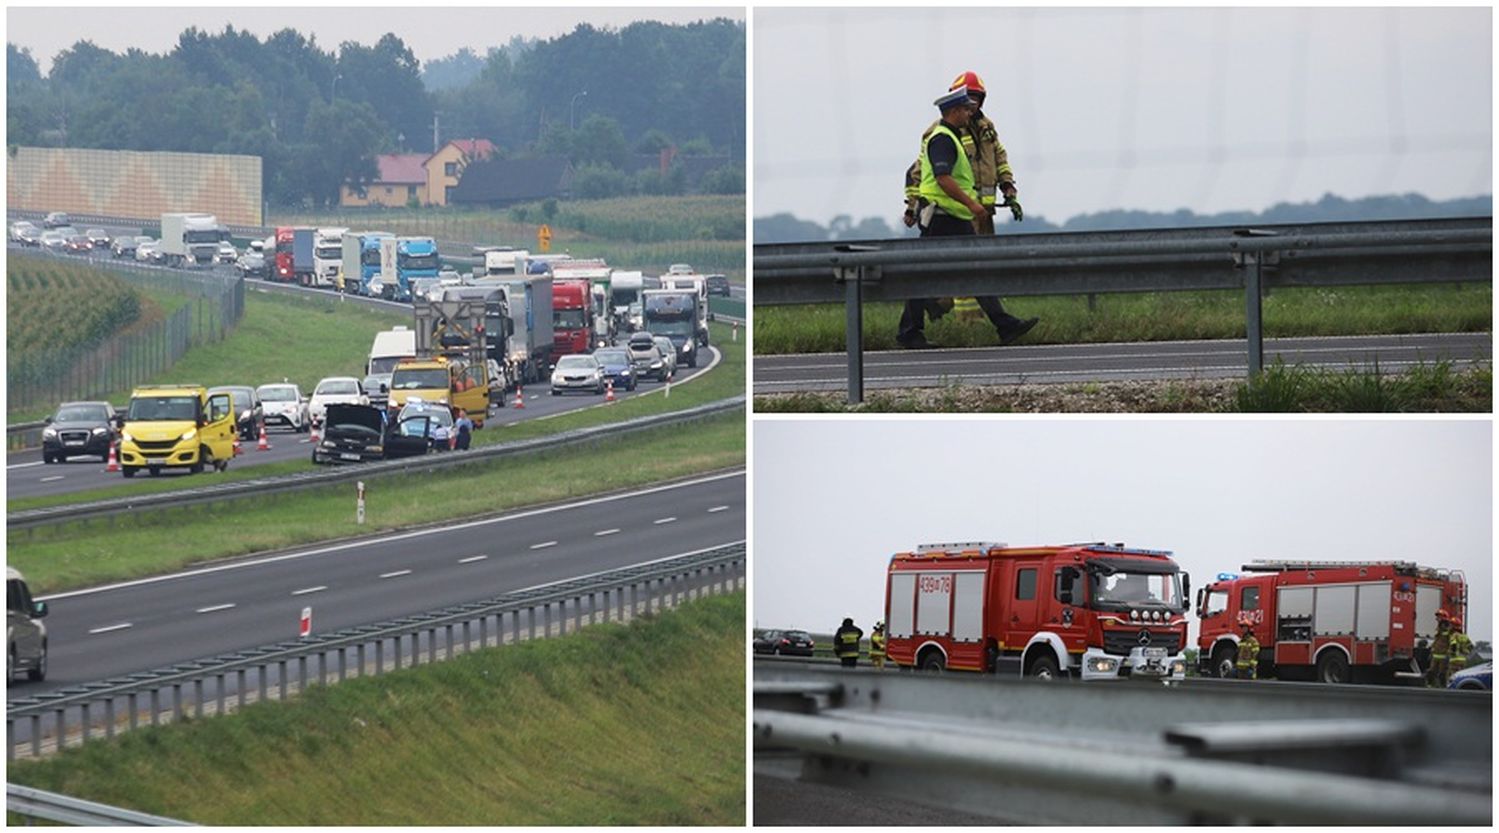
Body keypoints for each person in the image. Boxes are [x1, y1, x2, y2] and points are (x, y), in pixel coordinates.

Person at [898, 84, 1039, 350]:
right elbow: (942, 178)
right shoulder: (943, 138)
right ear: (953, 111)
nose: (969, 113)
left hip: (951, 215)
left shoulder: (953, 135)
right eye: (965, 109)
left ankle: (1004, 324)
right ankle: (910, 331)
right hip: (942, 215)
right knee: (933, 274)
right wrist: (973, 205)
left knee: (969, 270)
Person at [1427, 610, 1453, 688]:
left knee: (1442, 673)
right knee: (1431, 671)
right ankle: (1431, 685)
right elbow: (1437, 640)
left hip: (1443, 655)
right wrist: (1432, 649)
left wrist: (1449, 652)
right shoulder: (1439, 628)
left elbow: (1451, 642)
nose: (1437, 618)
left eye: (1439, 616)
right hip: (1436, 655)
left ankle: (1443, 687)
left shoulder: (1448, 628)